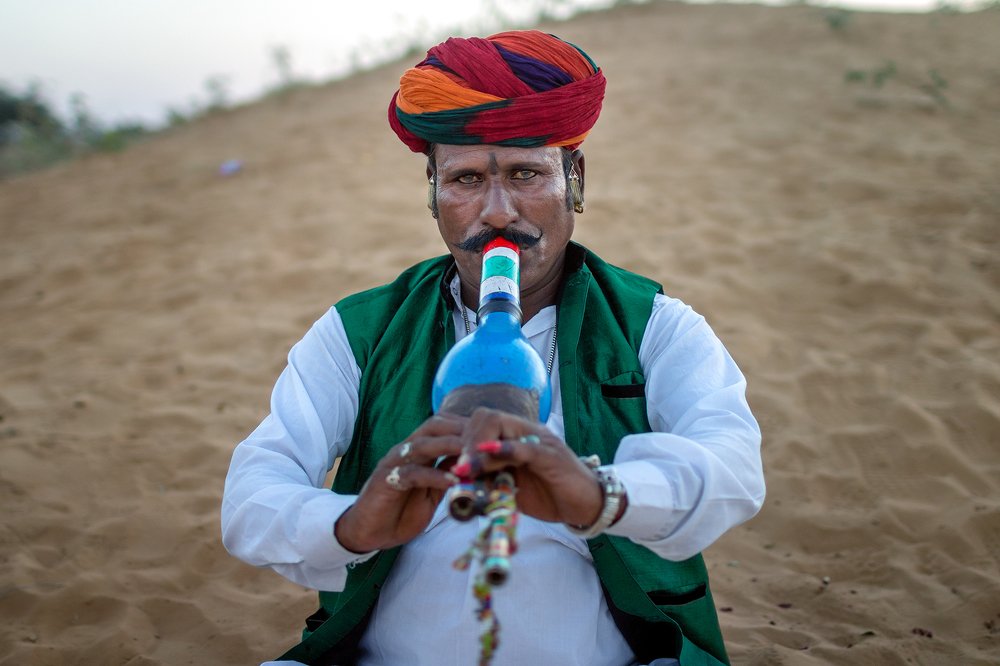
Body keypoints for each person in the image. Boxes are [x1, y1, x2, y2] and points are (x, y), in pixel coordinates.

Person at [222, 30, 765, 666]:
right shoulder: (358, 332)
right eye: (466, 179)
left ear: (576, 181)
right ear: (432, 192)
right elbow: (253, 492)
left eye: (526, 173)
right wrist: (352, 524)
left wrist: (601, 494)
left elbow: (733, 469)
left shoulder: (658, 327)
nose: (498, 211)